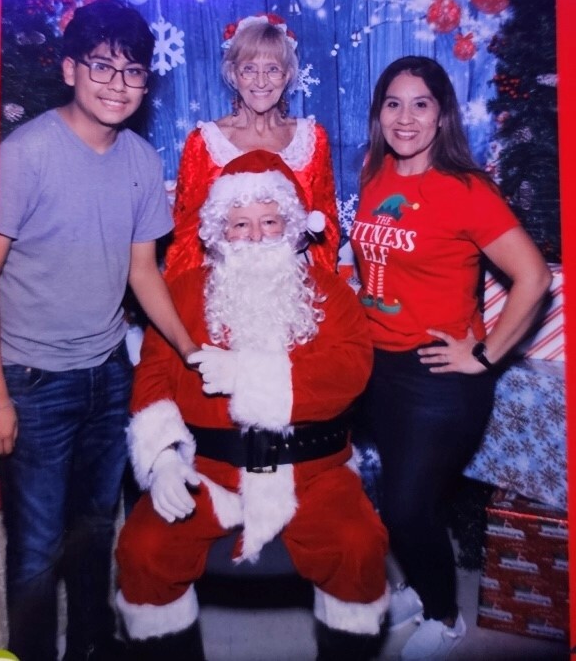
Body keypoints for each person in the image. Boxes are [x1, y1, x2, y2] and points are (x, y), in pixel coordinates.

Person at [115, 150, 390, 661]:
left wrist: (246, 375)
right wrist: (164, 460)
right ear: (218, 232)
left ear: (291, 227)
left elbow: (350, 372)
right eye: (239, 223)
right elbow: (153, 377)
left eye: (269, 221)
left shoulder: (330, 293)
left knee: (357, 545)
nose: (256, 235)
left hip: (315, 472)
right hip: (209, 472)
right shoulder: (180, 292)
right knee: (143, 551)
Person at [0, 0, 197, 661]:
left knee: (93, 531)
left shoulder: (140, 161)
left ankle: (90, 649)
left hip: (109, 374)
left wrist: (191, 348)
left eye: (132, 71)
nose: (117, 84)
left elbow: (143, 272)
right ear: (70, 68)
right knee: (35, 545)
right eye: (102, 67)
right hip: (31, 378)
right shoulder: (25, 156)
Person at [350, 56, 552, 660]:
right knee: (397, 498)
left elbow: (533, 277)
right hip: (378, 368)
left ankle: (446, 616)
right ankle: (417, 586)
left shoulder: (466, 191)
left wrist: (486, 355)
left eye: (420, 104)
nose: (405, 117)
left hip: (440, 375)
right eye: (393, 103)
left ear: (441, 117)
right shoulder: (374, 169)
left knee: (408, 503)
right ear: (379, 113)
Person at [162, 12, 340, 279]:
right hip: (223, 286)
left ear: (288, 74)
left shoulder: (313, 138)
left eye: (272, 69)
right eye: (249, 69)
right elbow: (184, 236)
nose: (260, 81)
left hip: (292, 285)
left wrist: (315, 287)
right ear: (234, 74)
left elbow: (328, 226)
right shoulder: (205, 142)